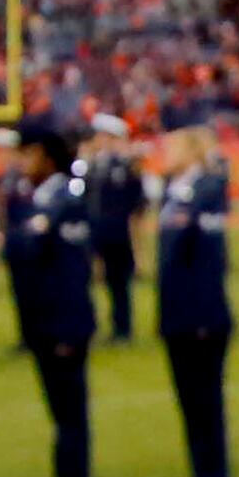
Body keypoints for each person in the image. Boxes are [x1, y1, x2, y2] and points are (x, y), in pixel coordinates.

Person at [3, 109, 100, 477]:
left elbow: (66, 272)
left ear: (42, 154)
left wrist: (66, 328)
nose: (18, 162)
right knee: (62, 415)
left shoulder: (63, 200)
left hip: (62, 323)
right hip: (44, 322)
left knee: (68, 417)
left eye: (24, 153)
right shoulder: (38, 199)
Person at [153, 117, 238, 477]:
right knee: (190, 400)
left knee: (204, 400)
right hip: (178, 311)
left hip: (200, 313)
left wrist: (205, 315)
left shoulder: (204, 190)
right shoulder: (176, 191)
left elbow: (207, 261)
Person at [87, 123, 147, 345]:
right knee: (93, 280)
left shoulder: (126, 167)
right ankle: (96, 327)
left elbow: (136, 204)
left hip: (119, 233)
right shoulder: (92, 166)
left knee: (119, 282)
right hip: (96, 231)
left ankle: (123, 327)